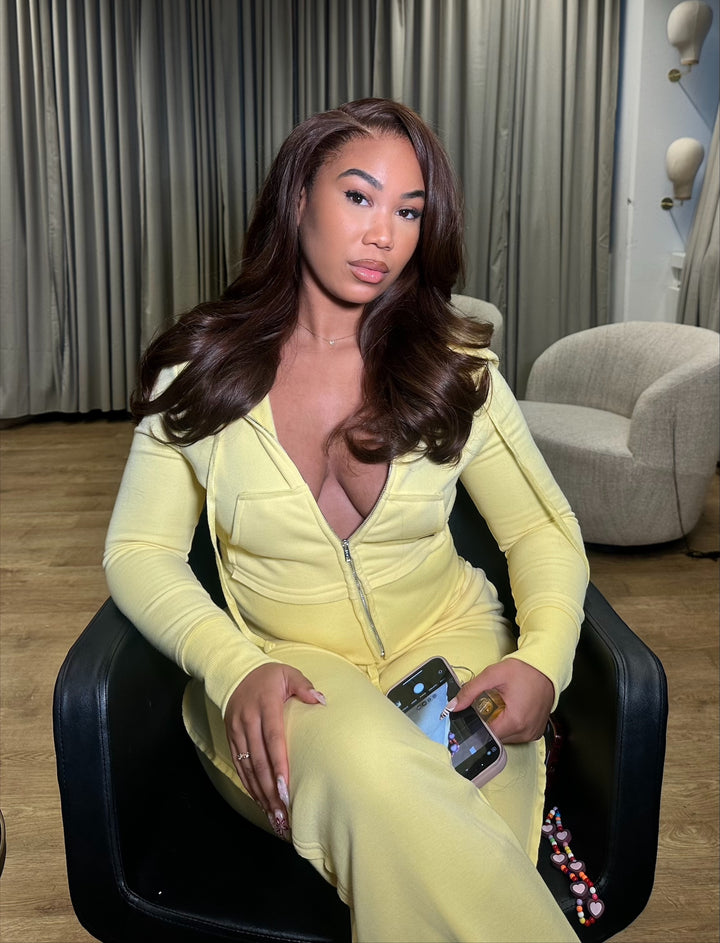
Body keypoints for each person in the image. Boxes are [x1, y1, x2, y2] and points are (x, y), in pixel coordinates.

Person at [104, 98, 588, 943]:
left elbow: (540, 528)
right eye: (359, 196)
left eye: (409, 211)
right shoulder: (201, 368)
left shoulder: (456, 366)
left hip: (451, 643)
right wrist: (234, 665)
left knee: (459, 811)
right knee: (381, 773)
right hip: (287, 671)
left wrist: (542, 660)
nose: (383, 235)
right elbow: (138, 551)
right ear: (299, 199)